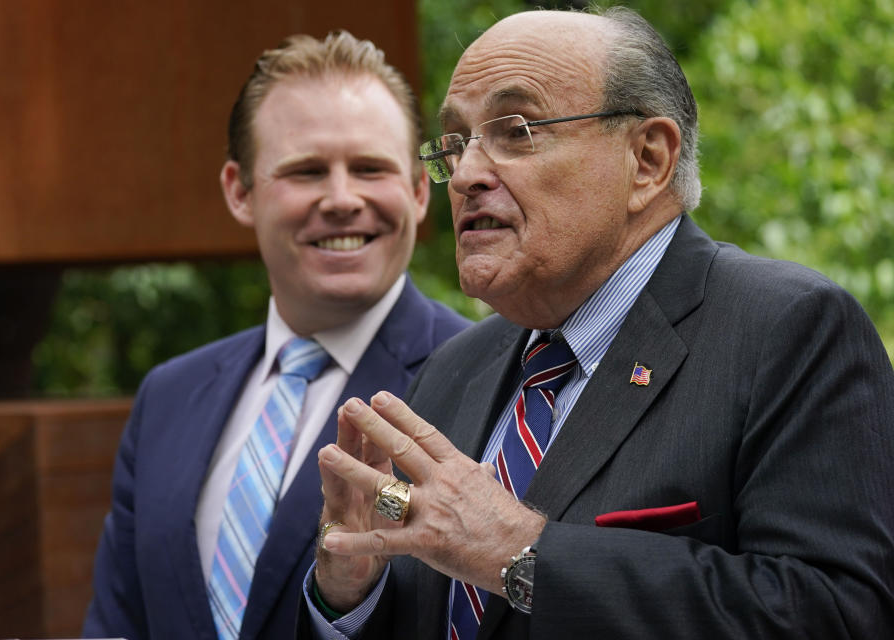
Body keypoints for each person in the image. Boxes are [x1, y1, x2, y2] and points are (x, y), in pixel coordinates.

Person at [303, 7, 894, 639]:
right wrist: (349, 594)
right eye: (456, 142)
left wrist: (523, 555)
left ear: (647, 159)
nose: (468, 174)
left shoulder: (788, 330)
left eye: (516, 130)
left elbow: (839, 615)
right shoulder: (456, 369)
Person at [82, 31, 470, 640]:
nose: (343, 199)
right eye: (306, 170)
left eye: (370, 168)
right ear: (240, 191)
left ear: (420, 192)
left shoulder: (485, 379)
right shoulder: (168, 395)